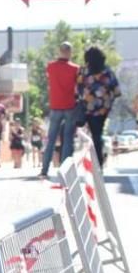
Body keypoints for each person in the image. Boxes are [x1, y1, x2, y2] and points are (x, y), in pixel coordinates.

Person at [40, 42, 80, 178]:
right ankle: (64, 171)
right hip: (69, 105)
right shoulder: (75, 69)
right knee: (67, 139)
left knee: (51, 139)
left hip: (55, 106)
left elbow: (48, 81)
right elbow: (78, 86)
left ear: (59, 51)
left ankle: (44, 170)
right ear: (70, 52)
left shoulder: (50, 67)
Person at [78, 46, 118, 166]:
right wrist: (107, 102)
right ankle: (99, 159)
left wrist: (85, 97)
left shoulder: (84, 71)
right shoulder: (107, 71)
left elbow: (78, 87)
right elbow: (116, 90)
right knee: (98, 133)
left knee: (95, 133)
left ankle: (98, 159)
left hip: (89, 108)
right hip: (103, 108)